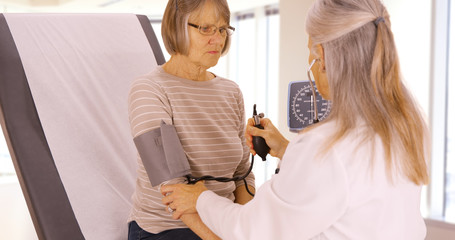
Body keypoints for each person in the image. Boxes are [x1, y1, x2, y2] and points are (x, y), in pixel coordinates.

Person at [160, 0, 430, 239]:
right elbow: (348, 181)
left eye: (310, 50)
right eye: (205, 28)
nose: (216, 39)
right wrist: (289, 151)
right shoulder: (405, 126)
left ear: (322, 57)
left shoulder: (323, 146)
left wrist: (200, 199)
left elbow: (252, 231)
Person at [127, 0, 255, 239]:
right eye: (205, 28)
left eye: (222, 29)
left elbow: (242, 174)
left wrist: (247, 228)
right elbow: (174, 189)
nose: (217, 39)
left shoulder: (231, 92)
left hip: (223, 223)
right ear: (177, 27)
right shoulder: (149, 89)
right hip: (170, 227)